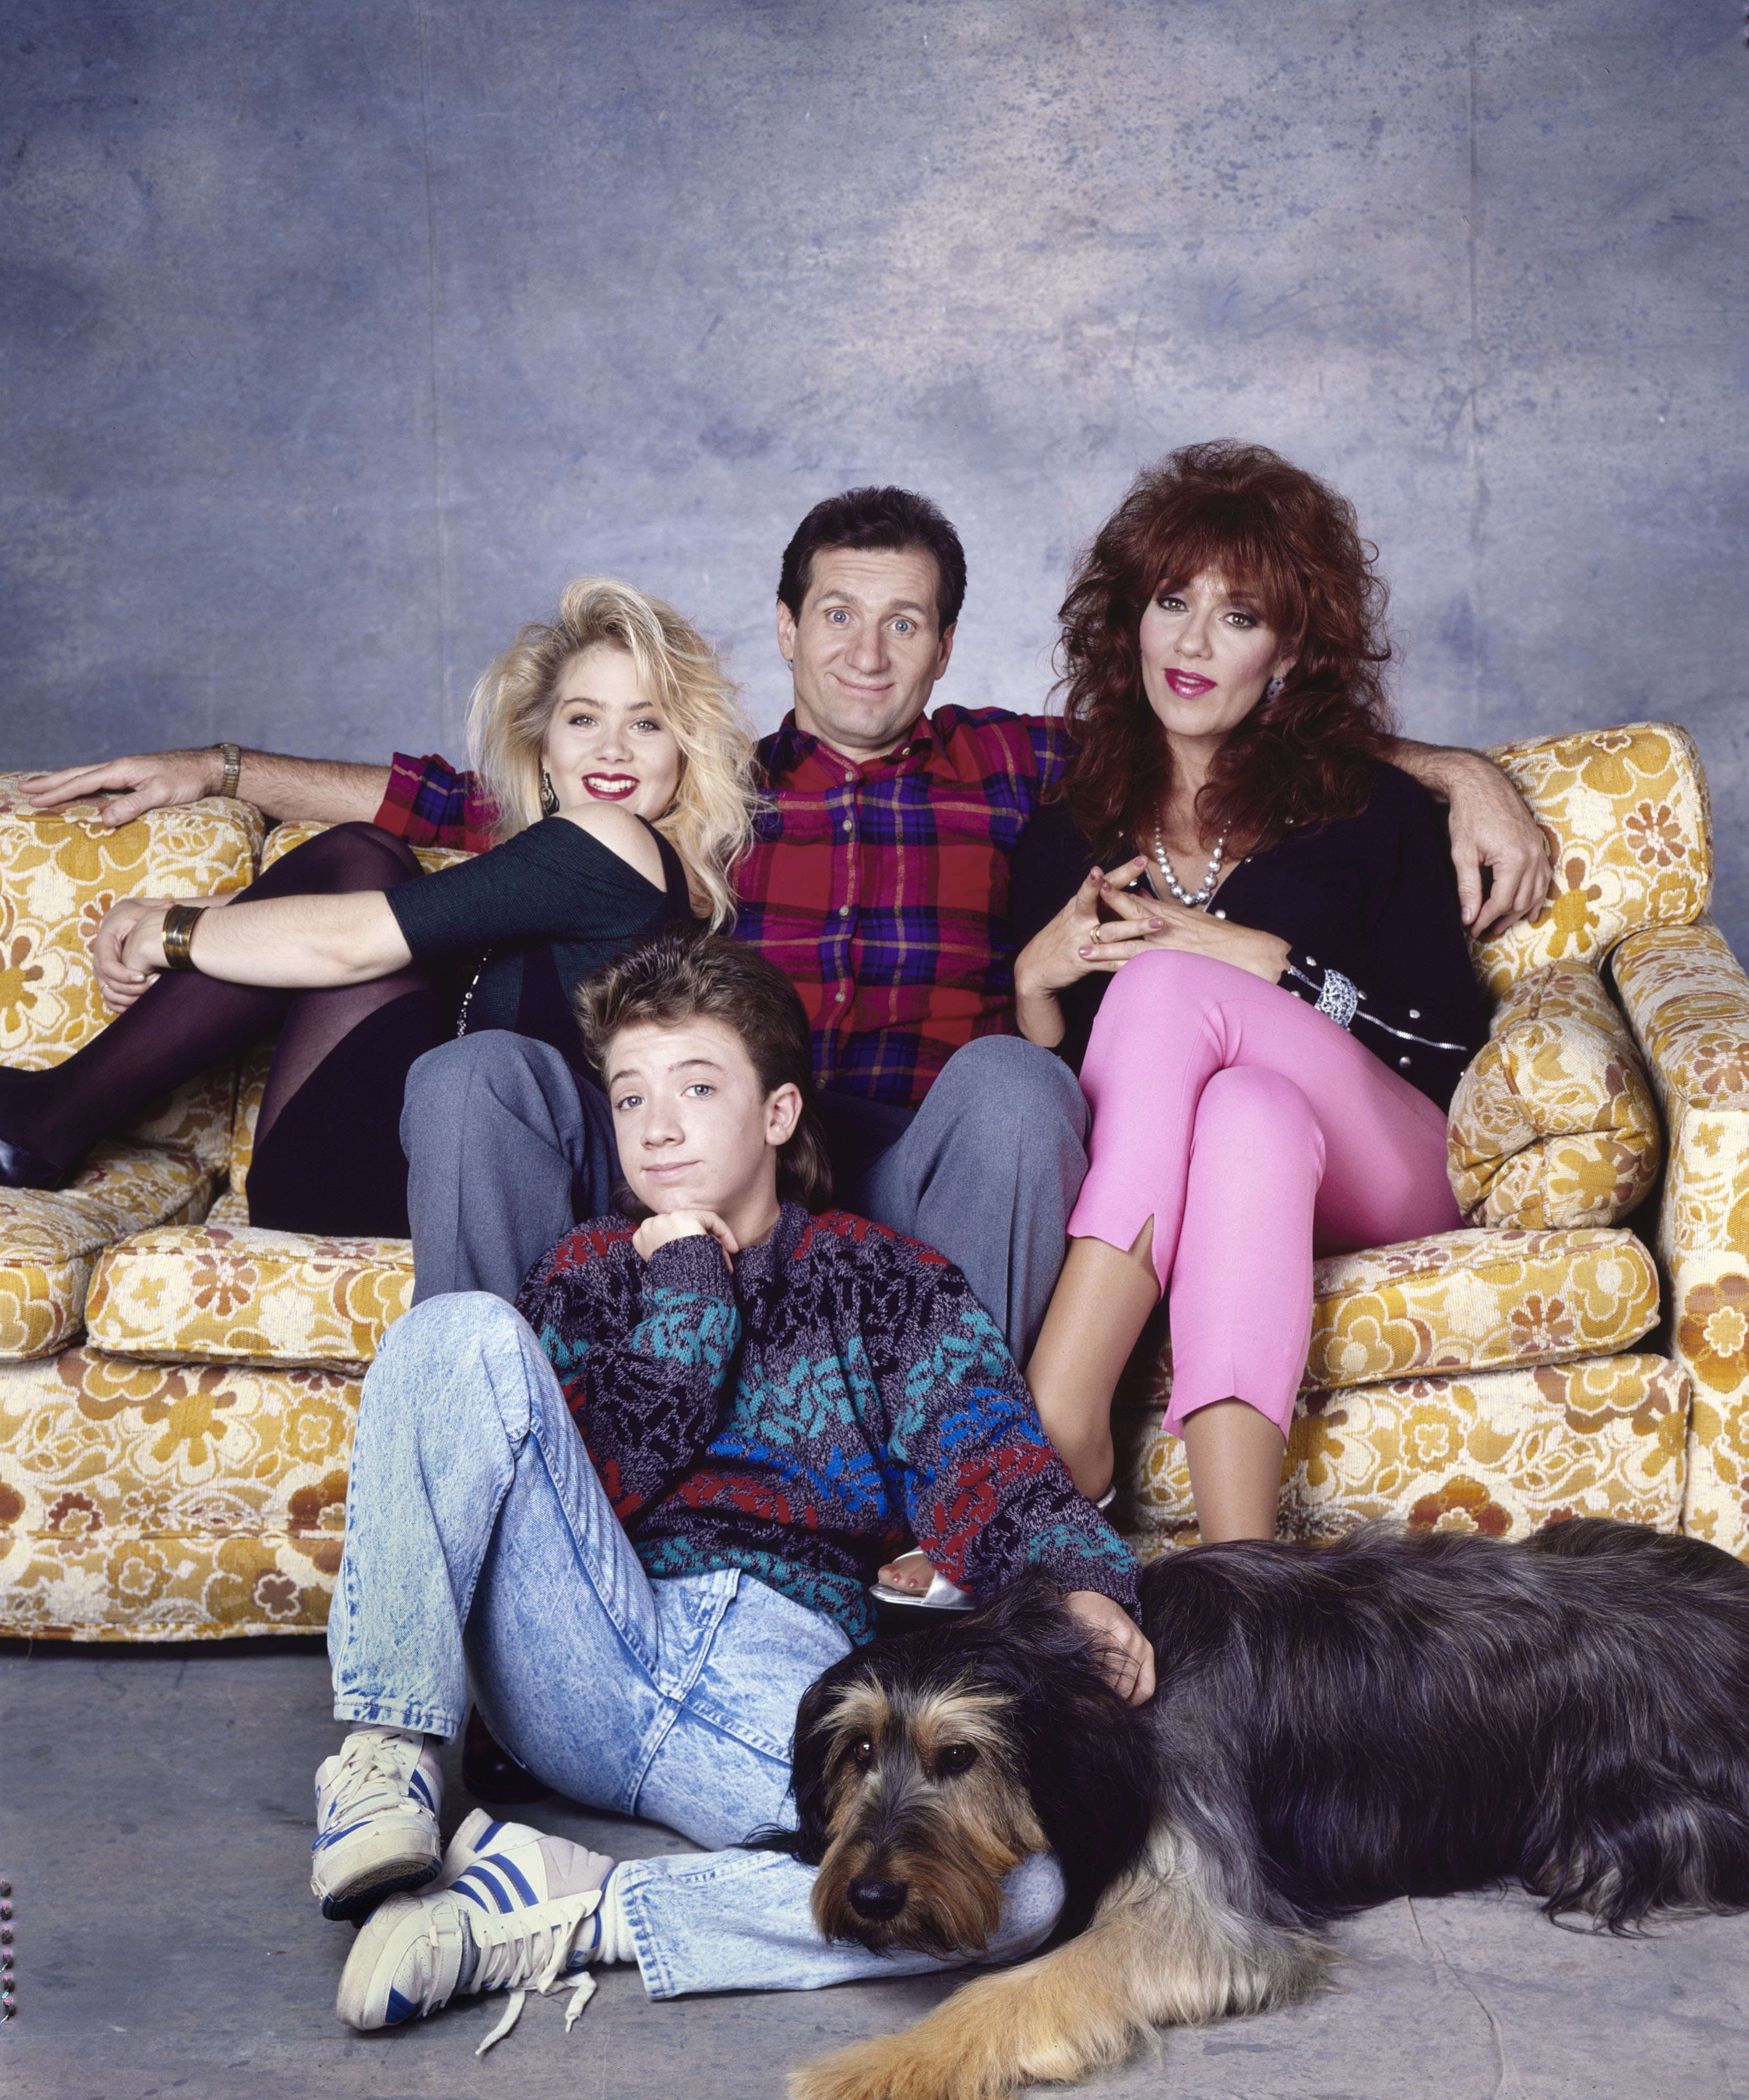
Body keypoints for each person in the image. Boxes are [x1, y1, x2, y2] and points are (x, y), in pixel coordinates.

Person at [24, 486, 1550, 1365]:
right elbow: (450, 800)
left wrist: (1460, 771)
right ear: (784, 629)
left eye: (903, 621)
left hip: (931, 1143)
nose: (867, 650)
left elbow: (1220, 719)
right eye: (835, 614)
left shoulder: (1029, 760)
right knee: (472, 1057)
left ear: (945, 640)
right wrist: (220, 769)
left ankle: (969, 1462)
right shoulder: (706, 786)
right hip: (756, 1142)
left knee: (1020, 1085)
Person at [313, 930, 1143, 2041]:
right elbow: (574, 1485)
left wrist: (1081, 1583)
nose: (657, 1123)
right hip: (580, 1644)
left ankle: (569, 1907)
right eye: (630, 1095)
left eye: (697, 1087)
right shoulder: (581, 1273)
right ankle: (384, 1757)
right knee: (454, 1331)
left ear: (778, 1115)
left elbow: (986, 1459)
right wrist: (689, 1296)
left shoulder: (883, 1280)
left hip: (780, 1679)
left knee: (1015, 1896)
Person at [1009, 440, 1488, 1546]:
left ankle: (1056, 1414)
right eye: (1171, 601)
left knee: (1179, 990)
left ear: (1285, 652)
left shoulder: (1372, 812)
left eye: (1238, 617)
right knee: (1241, 1111)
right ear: (1126, 618)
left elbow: (1446, 1057)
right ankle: (1243, 1572)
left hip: (1395, 1158)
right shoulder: (1064, 838)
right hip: (1241, 1170)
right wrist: (1035, 990)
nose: (1189, 642)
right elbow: (1083, 1117)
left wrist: (1261, 961)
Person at [0, 580, 755, 1237]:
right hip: (433, 1171)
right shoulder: (624, 874)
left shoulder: (614, 843)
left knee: (359, 860)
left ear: (683, 752)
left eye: (647, 722)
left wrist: (168, 932)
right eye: (585, 719)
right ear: (544, 755)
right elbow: (415, 901)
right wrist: (201, 902)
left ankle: (48, 1112)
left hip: (423, 1185)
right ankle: (46, 1113)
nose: (613, 749)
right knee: (362, 864)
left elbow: (355, 940)